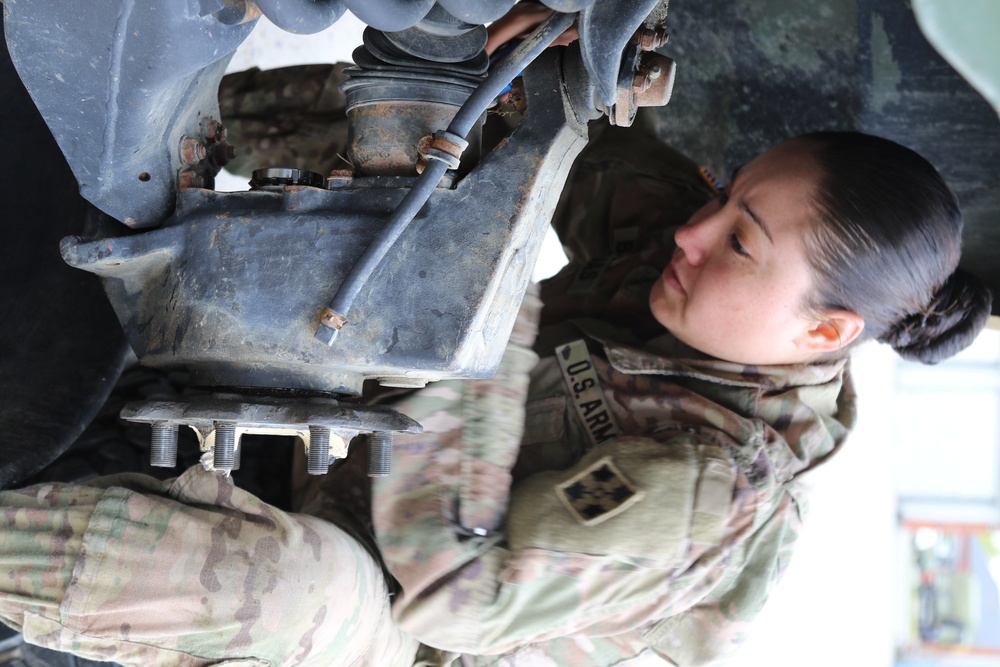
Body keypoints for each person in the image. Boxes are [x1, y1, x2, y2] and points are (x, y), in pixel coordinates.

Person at [0, 115, 992, 665]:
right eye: (729, 195)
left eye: (740, 240)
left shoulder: (708, 487)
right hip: (364, 476)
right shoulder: (687, 252)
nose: (695, 232)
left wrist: (493, 310)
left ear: (822, 333)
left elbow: (453, 595)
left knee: (288, 587)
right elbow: (531, 128)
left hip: (410, 630)